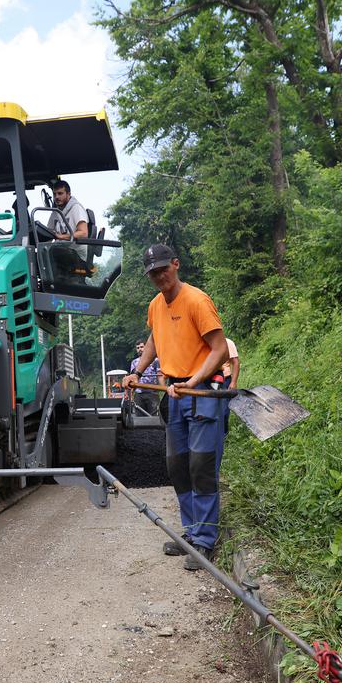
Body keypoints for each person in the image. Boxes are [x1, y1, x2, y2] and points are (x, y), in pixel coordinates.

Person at [122, 244, 229, 571]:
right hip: (174, 393)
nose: (159, 276)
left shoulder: (197, 300)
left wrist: (195, 380)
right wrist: (137, 372)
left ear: (176, 265)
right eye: (153, 272)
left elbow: (220, 349)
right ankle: (191, 533)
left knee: (201, 465)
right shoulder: (155, 306)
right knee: (178, 465)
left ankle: (206, 541)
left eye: (163, 269)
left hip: (202, 392)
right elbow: (155, 339)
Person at [128, 341, 162, 416]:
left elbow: (160, 375)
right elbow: (132, 379)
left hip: (152, 392)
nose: (140, 349)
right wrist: (130, 394)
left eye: (141, 347)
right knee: (139, 417)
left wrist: (163, 388)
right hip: (139, 393)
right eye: (138, 348)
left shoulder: (156, 360)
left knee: (154, 416)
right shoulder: (134, 362)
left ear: (146, 347)